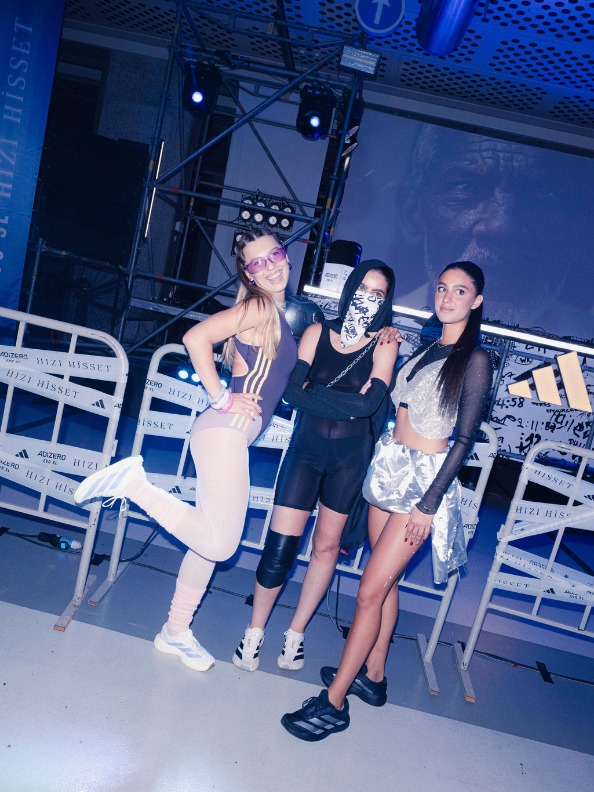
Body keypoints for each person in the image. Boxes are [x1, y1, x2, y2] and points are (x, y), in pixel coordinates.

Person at [281, 260, 493, 741]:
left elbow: (463, 439)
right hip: (389, 468)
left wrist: (429, 504)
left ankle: (333, 703)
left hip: (423, 484)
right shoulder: (422, 348)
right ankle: (373, 677)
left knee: (369, 590)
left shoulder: (475, 361)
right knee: (386, 580)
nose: (447, 297)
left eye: (460, 292)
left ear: (476, 302)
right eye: (441, 288)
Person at [74, 228, 297, 671]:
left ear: (285, 256)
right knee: (222, 543)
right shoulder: (258, 306)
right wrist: (221, 397)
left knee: (205, 543)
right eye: (257, 263)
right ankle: (133, 486)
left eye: (274, 254)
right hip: (225, 431)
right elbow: (196, 338)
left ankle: (175, 630)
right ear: (247, 274)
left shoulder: (268, 310)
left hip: (226, 434)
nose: (270, 265)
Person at [232, 260, 399, 674]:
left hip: (349, 461)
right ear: (349, 289)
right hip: (305, 452)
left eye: (378, 294)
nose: (368, 299)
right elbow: (291, 394)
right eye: (363, 288)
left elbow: (369, 404)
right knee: (280, 547)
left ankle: (295, 635)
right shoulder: (316, 331)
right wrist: (344, 404)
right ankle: (253, 633)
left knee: (325, 549)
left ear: (386, 301)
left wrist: (318, 393)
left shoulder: (386, 344)